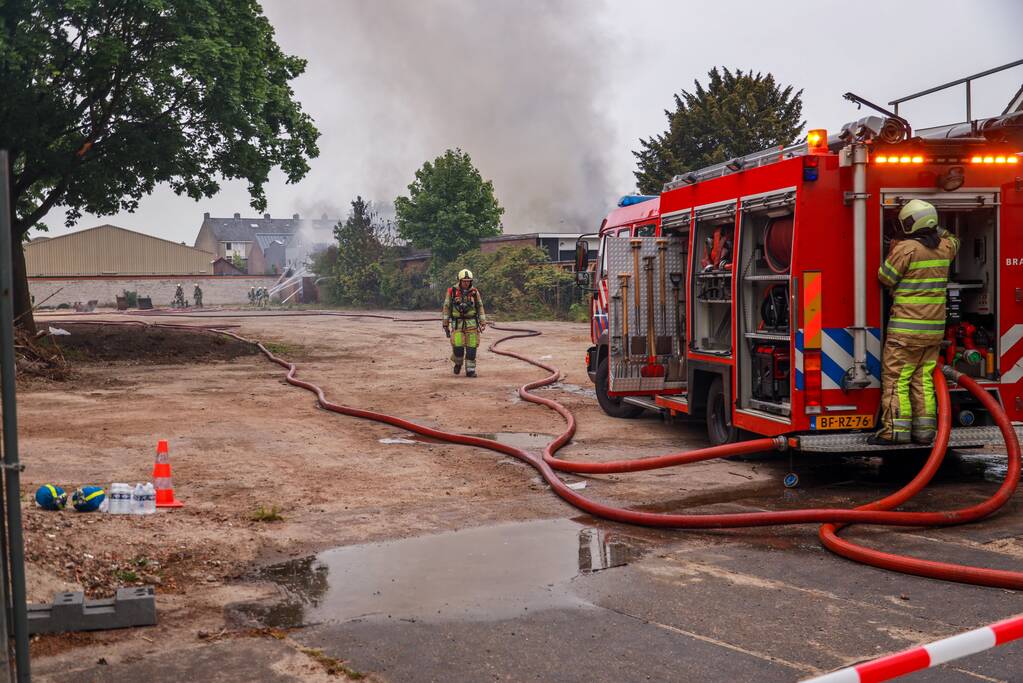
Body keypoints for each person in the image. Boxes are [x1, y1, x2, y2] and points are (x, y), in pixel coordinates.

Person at [869, 199, 960, 446]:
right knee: (923, 379)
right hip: (933, 330)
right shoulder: (946, 247)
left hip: (906, 330)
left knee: (898, 379)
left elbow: (885, 278)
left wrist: (893, 249)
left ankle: (894, 432)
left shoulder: (907, 248)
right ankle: (924, 433)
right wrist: (937, 228)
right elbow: (954, 239)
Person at [442, 268, 487, 377]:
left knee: (472, 348)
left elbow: (480, 306)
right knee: (458, 347)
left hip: (471, 323)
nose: (466, 283)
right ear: (460, 281)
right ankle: (458, 364)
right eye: (464, 281)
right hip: (457, 324)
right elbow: (447, 307)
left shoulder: (475, 292)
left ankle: (470, 370)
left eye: (468, 281)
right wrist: (445, 323)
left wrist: (482, 321)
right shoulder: (451, 291)